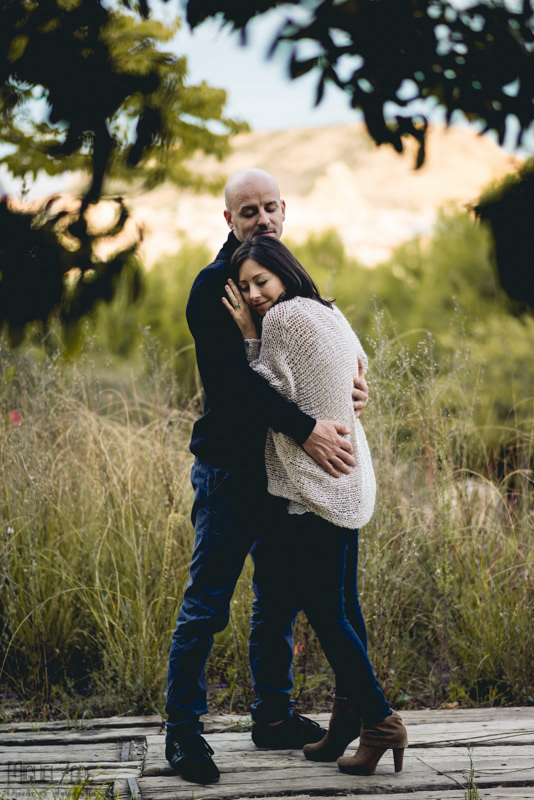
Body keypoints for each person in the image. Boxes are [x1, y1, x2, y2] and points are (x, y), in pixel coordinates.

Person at [164, 168, 370, 784]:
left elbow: (324, 350)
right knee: (208, 605)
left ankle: (273, 717)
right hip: (232, 469)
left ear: (284, 209)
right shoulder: (214, 288)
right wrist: (308, 427)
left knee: (278, 603)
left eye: (269, 207)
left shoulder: (283, 279)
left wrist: (353, 385)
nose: (261, 218)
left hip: (286, 475)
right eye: (247, 211)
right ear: (228, 220)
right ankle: (182, 733)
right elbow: (232, 386)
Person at [223, 235, 408, 777]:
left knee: (327, 612)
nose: (256, 294)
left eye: (263, 281)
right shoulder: (329, 310)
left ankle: (379, 720)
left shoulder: (279, 322)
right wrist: (354, 390)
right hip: (348, 476)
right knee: (345, 607)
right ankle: (348, 722)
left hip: (312, 486)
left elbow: (266, 396)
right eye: (247, 287)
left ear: (283, 272)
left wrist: (250, 337)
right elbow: (359, 365)